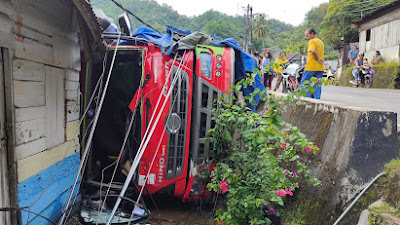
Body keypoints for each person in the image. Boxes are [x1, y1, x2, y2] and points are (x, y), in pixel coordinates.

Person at [301, 28, 324, 99]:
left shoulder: (312, 41)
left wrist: (317, 59)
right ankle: (317, 99)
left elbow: (313, 51)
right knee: (318, 84)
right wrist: (320, 60)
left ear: (312, 34)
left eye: (307, 36)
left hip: (311, 67)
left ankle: (308, 99)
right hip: (320, 68)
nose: (306, 38)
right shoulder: (320, 42)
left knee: (303, 83)